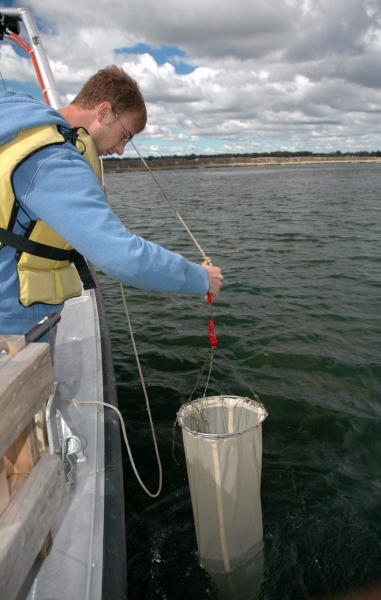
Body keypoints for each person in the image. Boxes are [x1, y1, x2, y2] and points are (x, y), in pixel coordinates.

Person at [0, 66, 223, 335]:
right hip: (10, 326)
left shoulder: (16, 131)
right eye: (124, 136)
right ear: (103, 112)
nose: (119, 150)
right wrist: (200, 278)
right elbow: (123, 257)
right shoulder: (54, 161)